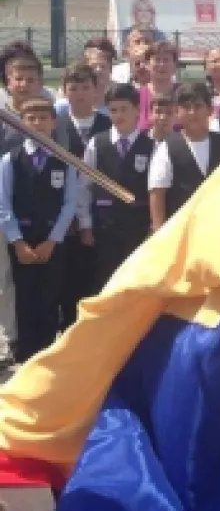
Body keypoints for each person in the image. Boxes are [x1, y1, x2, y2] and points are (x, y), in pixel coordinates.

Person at [0, 97, 78, 362]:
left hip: (52, 242)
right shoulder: (10, 160)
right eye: (31, 118)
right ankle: (25, 357)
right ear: (22, 123)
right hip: (22, 242)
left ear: (53, 122)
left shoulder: (65, 161)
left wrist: (53, 240)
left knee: (49, 300)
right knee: (24, 300)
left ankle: (47, 356)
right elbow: (4, 204)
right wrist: (17, 242)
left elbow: (70, 204)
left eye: (43, 118)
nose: (38, 123)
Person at [78, 84, 154, 292]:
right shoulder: (97, 143)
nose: (118, 115)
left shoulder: (151, 146)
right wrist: (85, 223)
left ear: (137, 110)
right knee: (105, 283)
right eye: (113, 110)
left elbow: (155, 191)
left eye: (124, 109)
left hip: (138, 228)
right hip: (104, 228)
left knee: (136, 284)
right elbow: (84, 186)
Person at [53, 62, 111, 328]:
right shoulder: (55, 126)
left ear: (96, 90)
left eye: (85, 87)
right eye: (73, 88)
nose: (79, 94)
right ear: (64, 91)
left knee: (96, 278)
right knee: (65, 281)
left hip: (101, 215)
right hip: (61, 217)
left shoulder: (108, 125)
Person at [148, 82, 220, 230]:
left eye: (198, 106)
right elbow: (157, 192)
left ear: (209, 110)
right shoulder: (167, 147)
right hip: (181, 230)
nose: (192, 112)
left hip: (219, 228)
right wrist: (159, 230)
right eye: (186, 107)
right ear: (177, 111)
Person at [138, 41, 180, 132]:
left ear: (175, 65)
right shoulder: (136, 96)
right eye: (157, 60)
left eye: (166, 60)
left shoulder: (184, 94)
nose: (161, 64)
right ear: (147, 64)